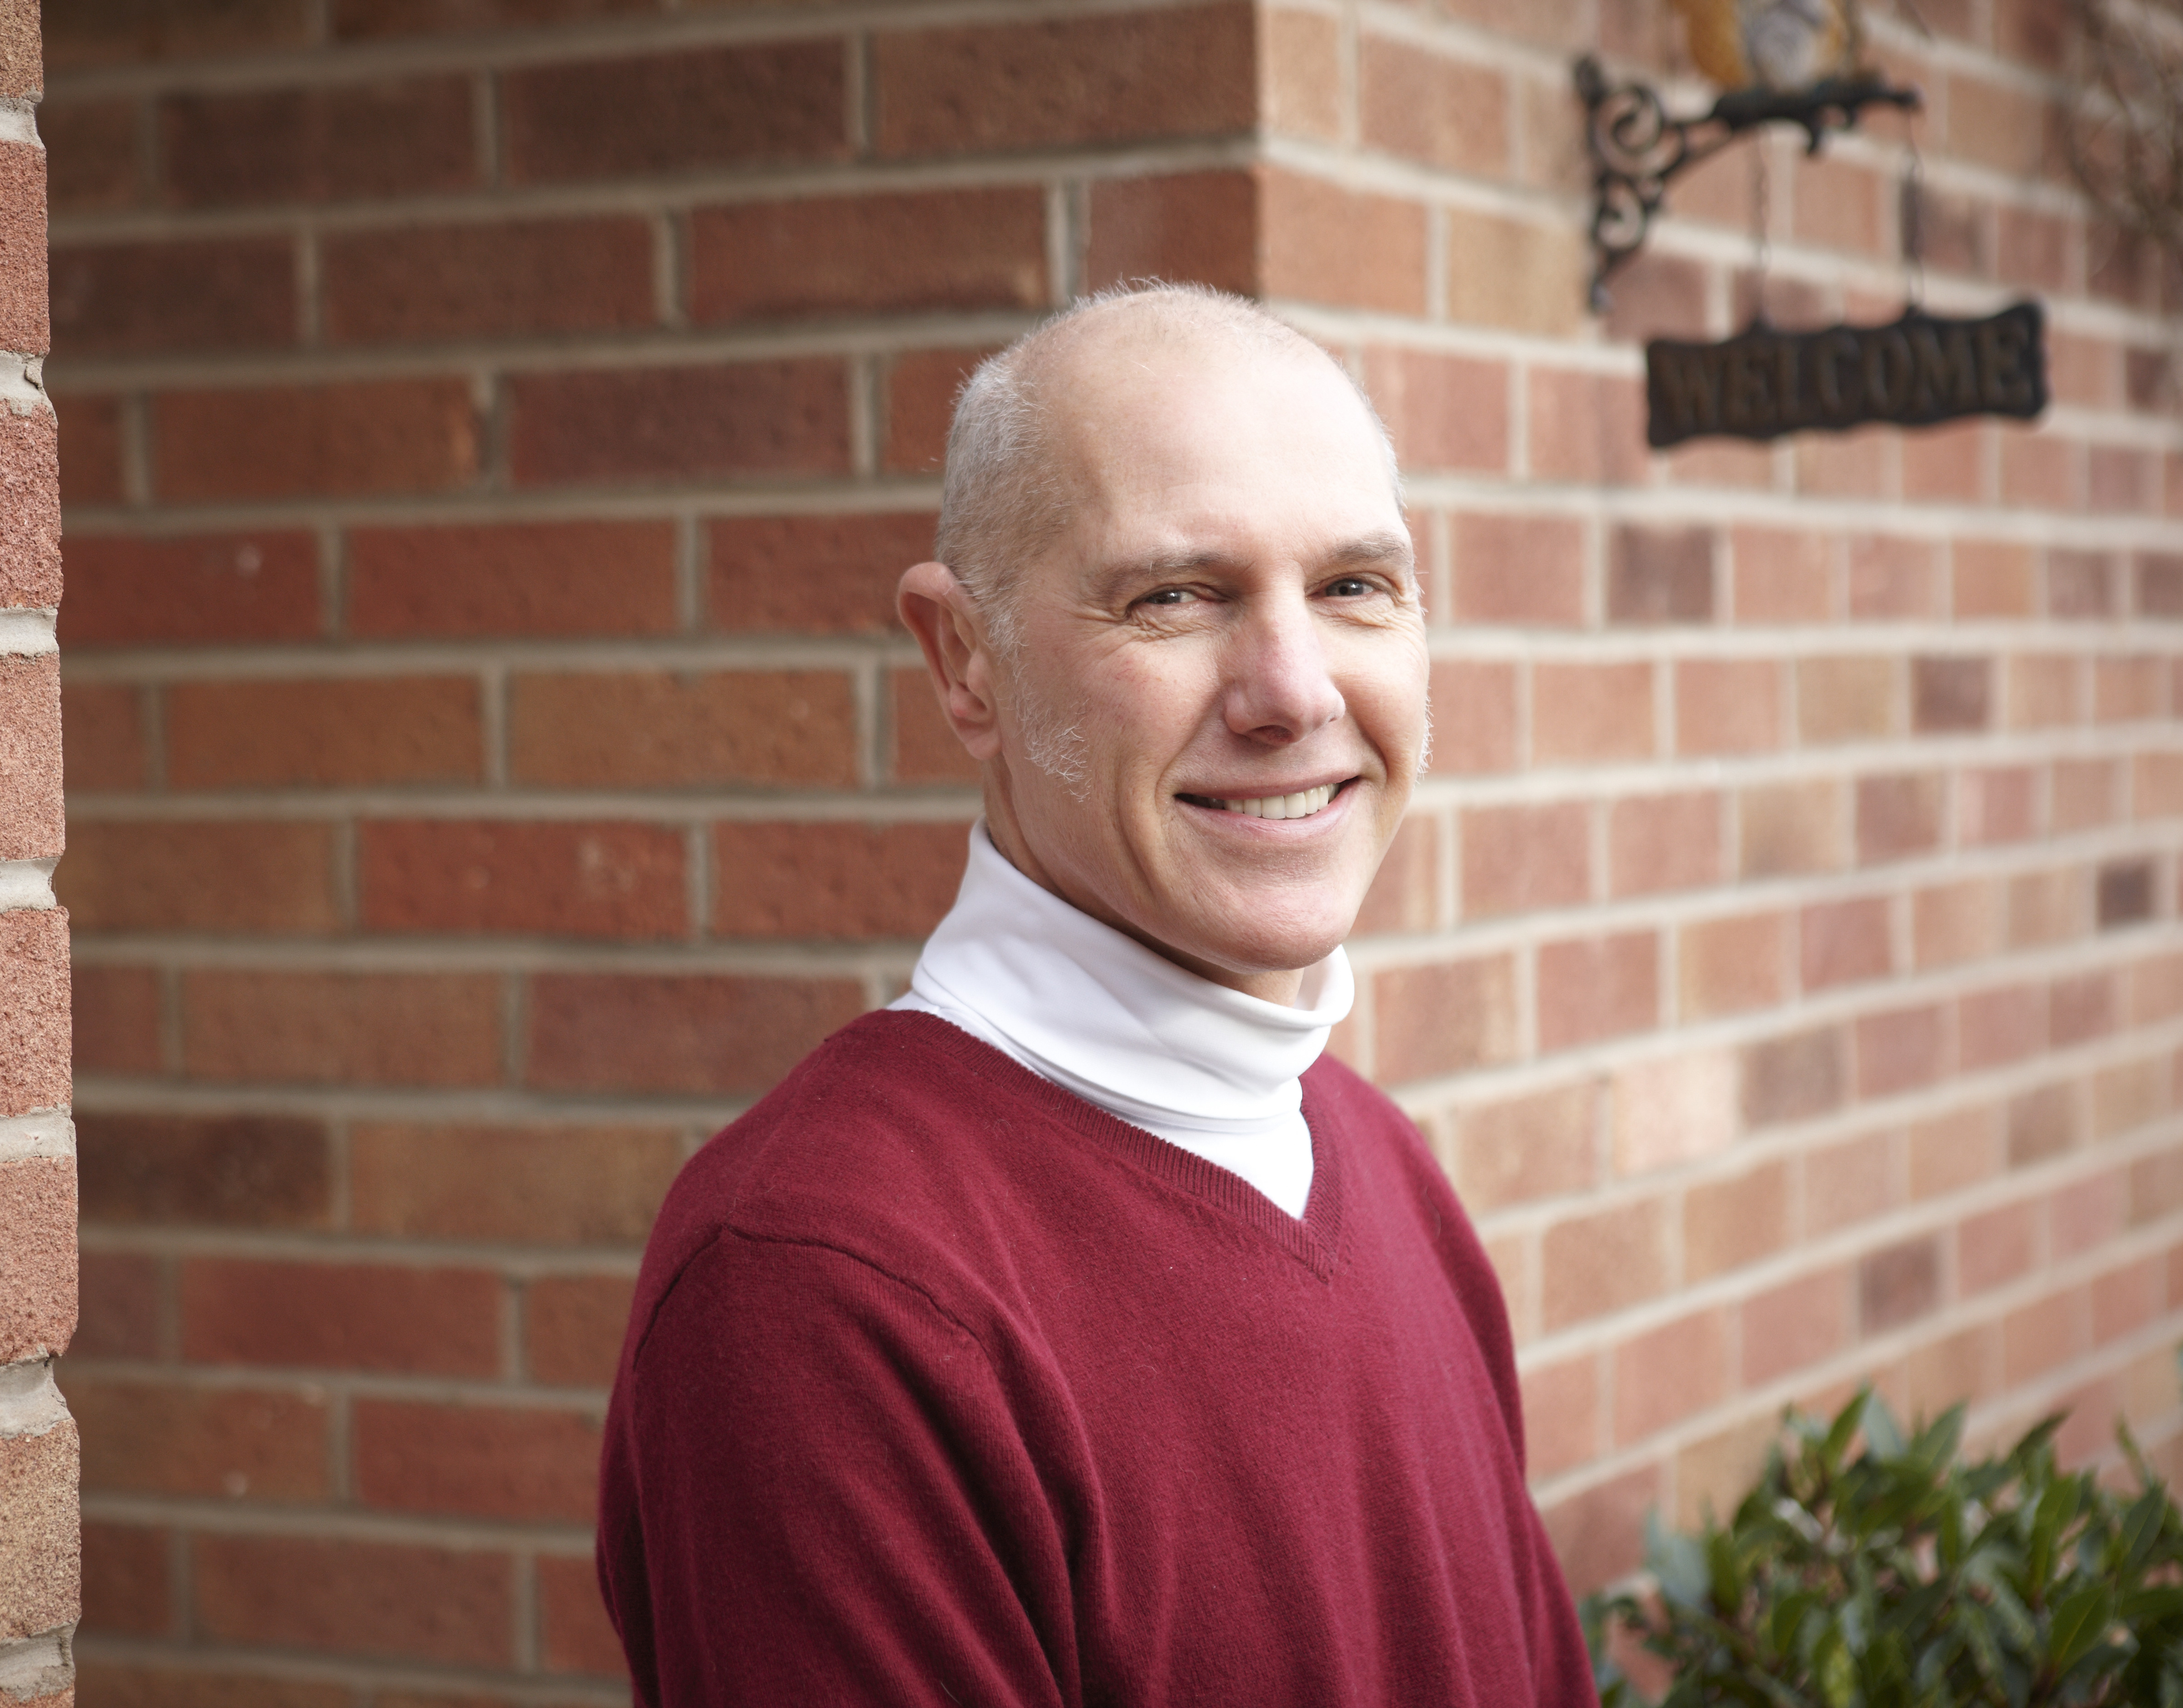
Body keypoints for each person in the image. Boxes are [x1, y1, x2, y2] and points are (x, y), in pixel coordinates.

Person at [595, 283, 1595, 1705]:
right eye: (1175, 597)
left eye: (1354, 587)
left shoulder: (1380, 1161)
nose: (1292, 692)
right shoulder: (823, 1282)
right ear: (967, 666)